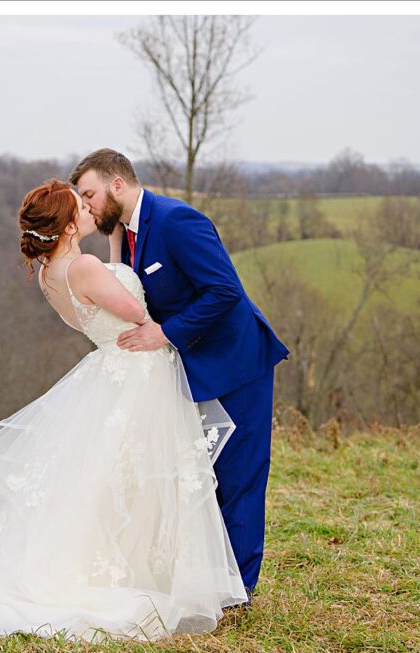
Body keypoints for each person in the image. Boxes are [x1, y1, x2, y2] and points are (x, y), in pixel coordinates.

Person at [0, 179, 249, 643]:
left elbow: (112, 281)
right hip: (138, 371)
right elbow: (133, 307)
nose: (87, 208)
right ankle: (140, 572)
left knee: (114, 476)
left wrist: (112, 242)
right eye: (79, 206)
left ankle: (133, 564)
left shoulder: (53, 272)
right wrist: (163, 323)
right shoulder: (82, 268)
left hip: (113, 367)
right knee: (140, 475)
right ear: (67, 226)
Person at [71, 148, 291, 608]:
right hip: (191, 373)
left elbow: (225, 291)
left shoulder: (176, 221)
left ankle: (237, 592)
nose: (86, 204)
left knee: (239, 477)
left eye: (89, 194)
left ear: (117, 184)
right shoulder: (128, 233)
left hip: (236, 366)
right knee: (198, 478)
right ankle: (206, 578)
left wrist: (164, 334)